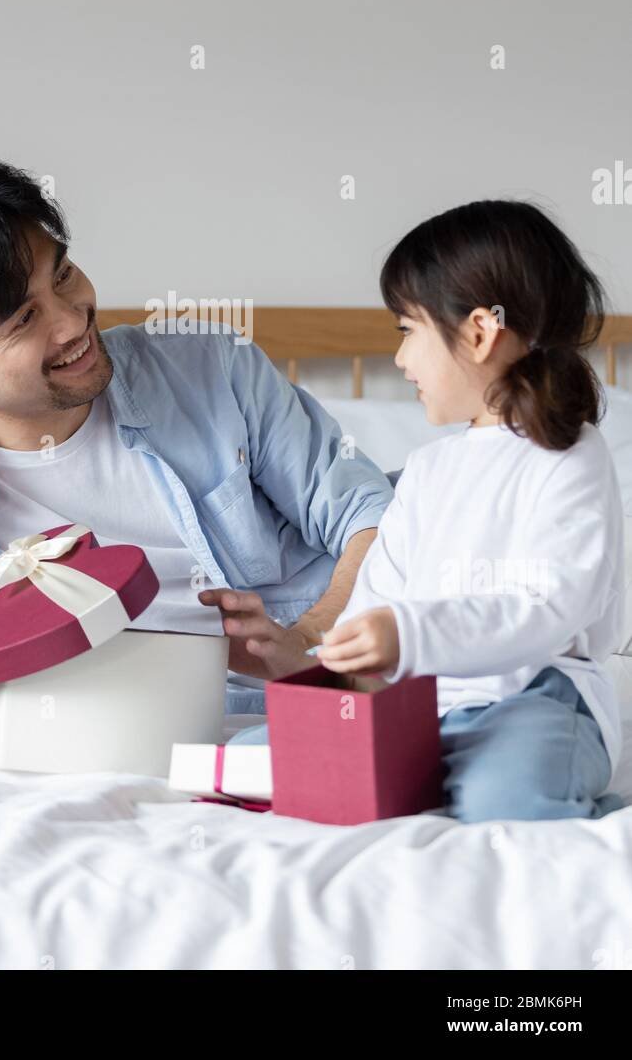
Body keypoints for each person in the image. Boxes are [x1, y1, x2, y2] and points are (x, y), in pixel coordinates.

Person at [0, 160, 394, 756]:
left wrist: (310, 640)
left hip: (313, 693)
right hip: (106, 748)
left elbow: (373, 516)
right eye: (23, 319)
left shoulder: (211, 366)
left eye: (62, 276)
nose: (71, 321)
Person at [230, 200, 626, 823]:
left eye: (406, 331)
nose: (399, 359)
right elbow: (375, 606)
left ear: (477, 331)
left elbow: (546, 610)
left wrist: (408, 637)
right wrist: (310, 655)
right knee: (253, 760)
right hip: (423, 707)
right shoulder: (429, 471)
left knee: (505, 796)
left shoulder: (569, 455)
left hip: (535, 698)